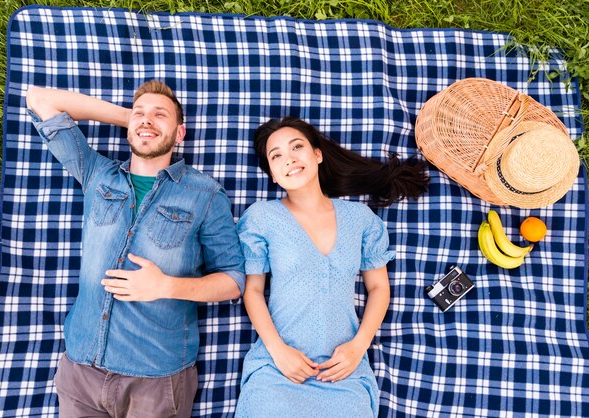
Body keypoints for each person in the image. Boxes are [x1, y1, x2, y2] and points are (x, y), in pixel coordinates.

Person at [26, 80, 245, 418]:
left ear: (180, 133)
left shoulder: (206, 195)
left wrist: (165, 286)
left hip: (156, 379)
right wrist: (133, 118)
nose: (147, 120)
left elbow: (233, 279)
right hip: (81, 368)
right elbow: (40, 99)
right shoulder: (97, 173)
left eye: (161, 115)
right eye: (140, 114)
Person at [235, 117, 429, 417]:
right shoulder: (261, 217)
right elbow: (253, 291)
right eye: (277, 156)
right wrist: (278, 351)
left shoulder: (360, 218)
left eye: (296, 147)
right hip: (278, 369)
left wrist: (358, 347)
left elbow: (378, 288)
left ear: (317, 154)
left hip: (343, 370)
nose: (289, 159)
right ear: (272, 174)